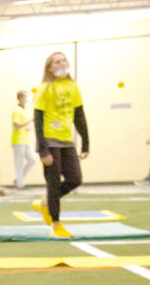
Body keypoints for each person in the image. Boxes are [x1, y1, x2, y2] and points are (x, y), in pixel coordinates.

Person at [32, 51, 90, 238]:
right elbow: (37, 119)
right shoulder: (44, 88)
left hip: (67, 141)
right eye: (56, 62)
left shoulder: (73, 87)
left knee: (75, 179)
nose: (61, 64)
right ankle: (56, 223)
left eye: (64, 60)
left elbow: (79, 116)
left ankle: (46, 201)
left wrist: (86, 143)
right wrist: (42, 149)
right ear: (49, 67)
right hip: (49, 141)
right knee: (53, 181)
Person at [10, 90, 36, 189]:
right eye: (26, 97)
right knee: (19, 163)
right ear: (20, 98)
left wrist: (30, 126)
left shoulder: (25, 110)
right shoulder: (17, 111)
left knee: (32, 159)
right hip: (18, 141)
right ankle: (20, 184)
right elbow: (16, 126)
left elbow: (25, 124)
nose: (28, 99)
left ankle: (18, 178)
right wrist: (29, 121)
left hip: (27, 140)